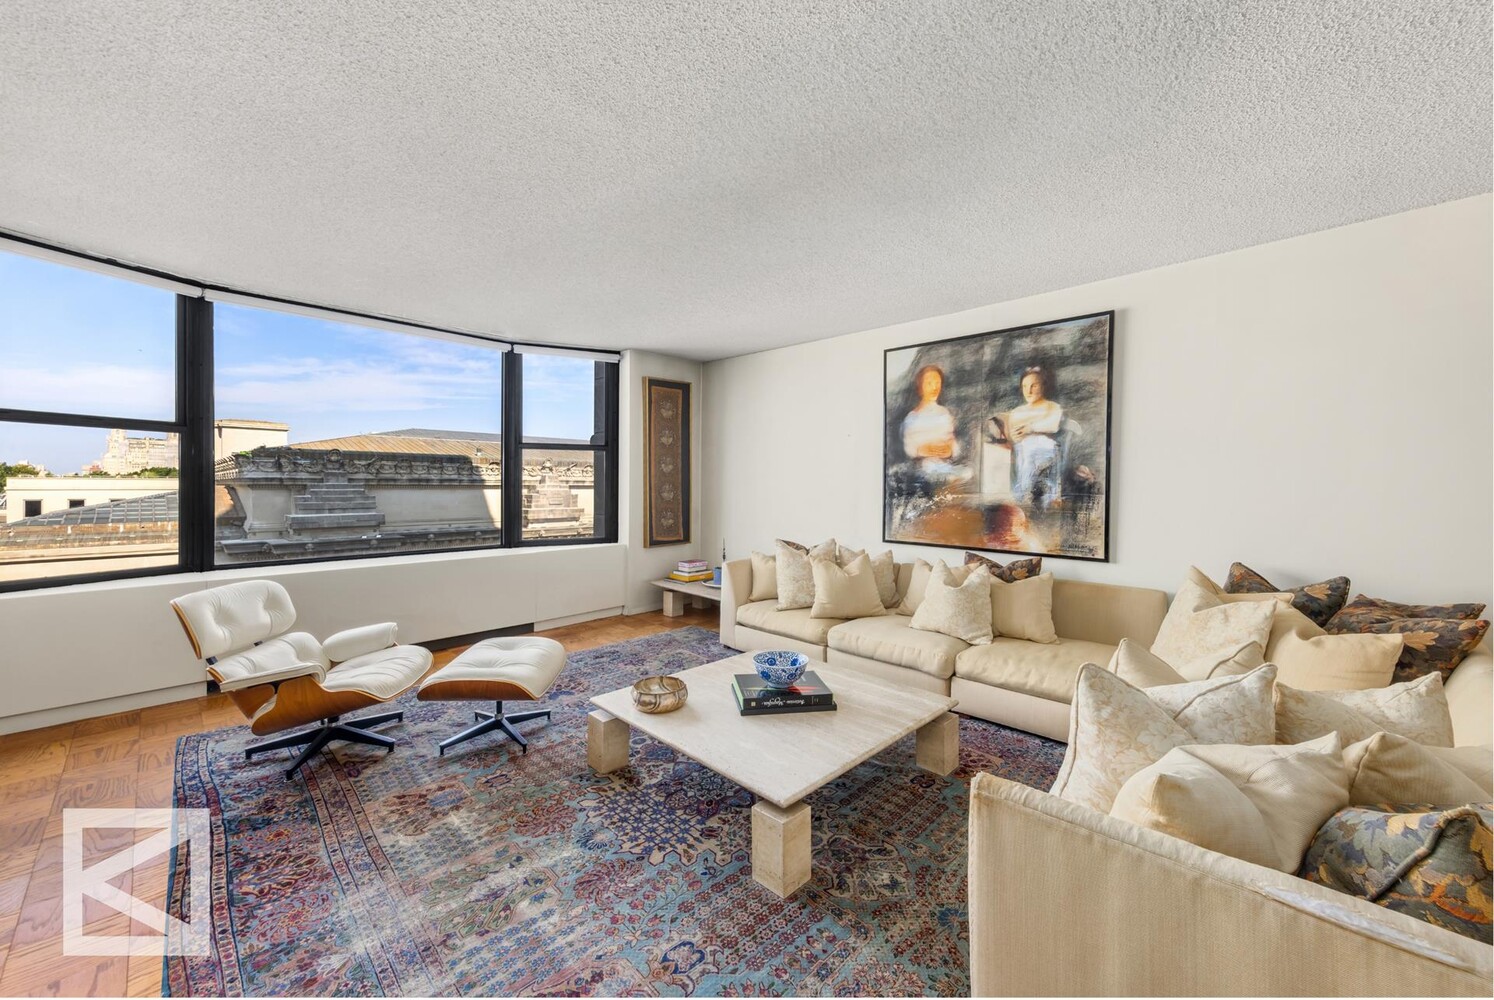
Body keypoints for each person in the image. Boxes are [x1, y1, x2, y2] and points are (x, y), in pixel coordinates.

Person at [1001, 366, 1093, 509]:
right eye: (1025, 386)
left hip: (1047, 452)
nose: (1028, 390)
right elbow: (1014, 434)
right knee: (1023, 453)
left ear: (1043, 386)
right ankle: (1025, 494)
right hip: (1023, 452)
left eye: (1034, 385)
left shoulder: (1053, 407)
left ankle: (1042, 495)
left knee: (1036, 452)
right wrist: (1017, 435)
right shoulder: (1017, 412)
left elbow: (1053, 425)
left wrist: (1030, 428)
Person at [900, 364, 971, 488]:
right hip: (922, 469)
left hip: (944, 466)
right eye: (929, 383)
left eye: (937, 382)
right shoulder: (912, 417)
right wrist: (922, 450)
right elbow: (909, 449)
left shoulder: (944, 413)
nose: (934, 387)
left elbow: (953, 445)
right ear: (920, 386)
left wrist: (949, 450)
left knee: (966, 473)